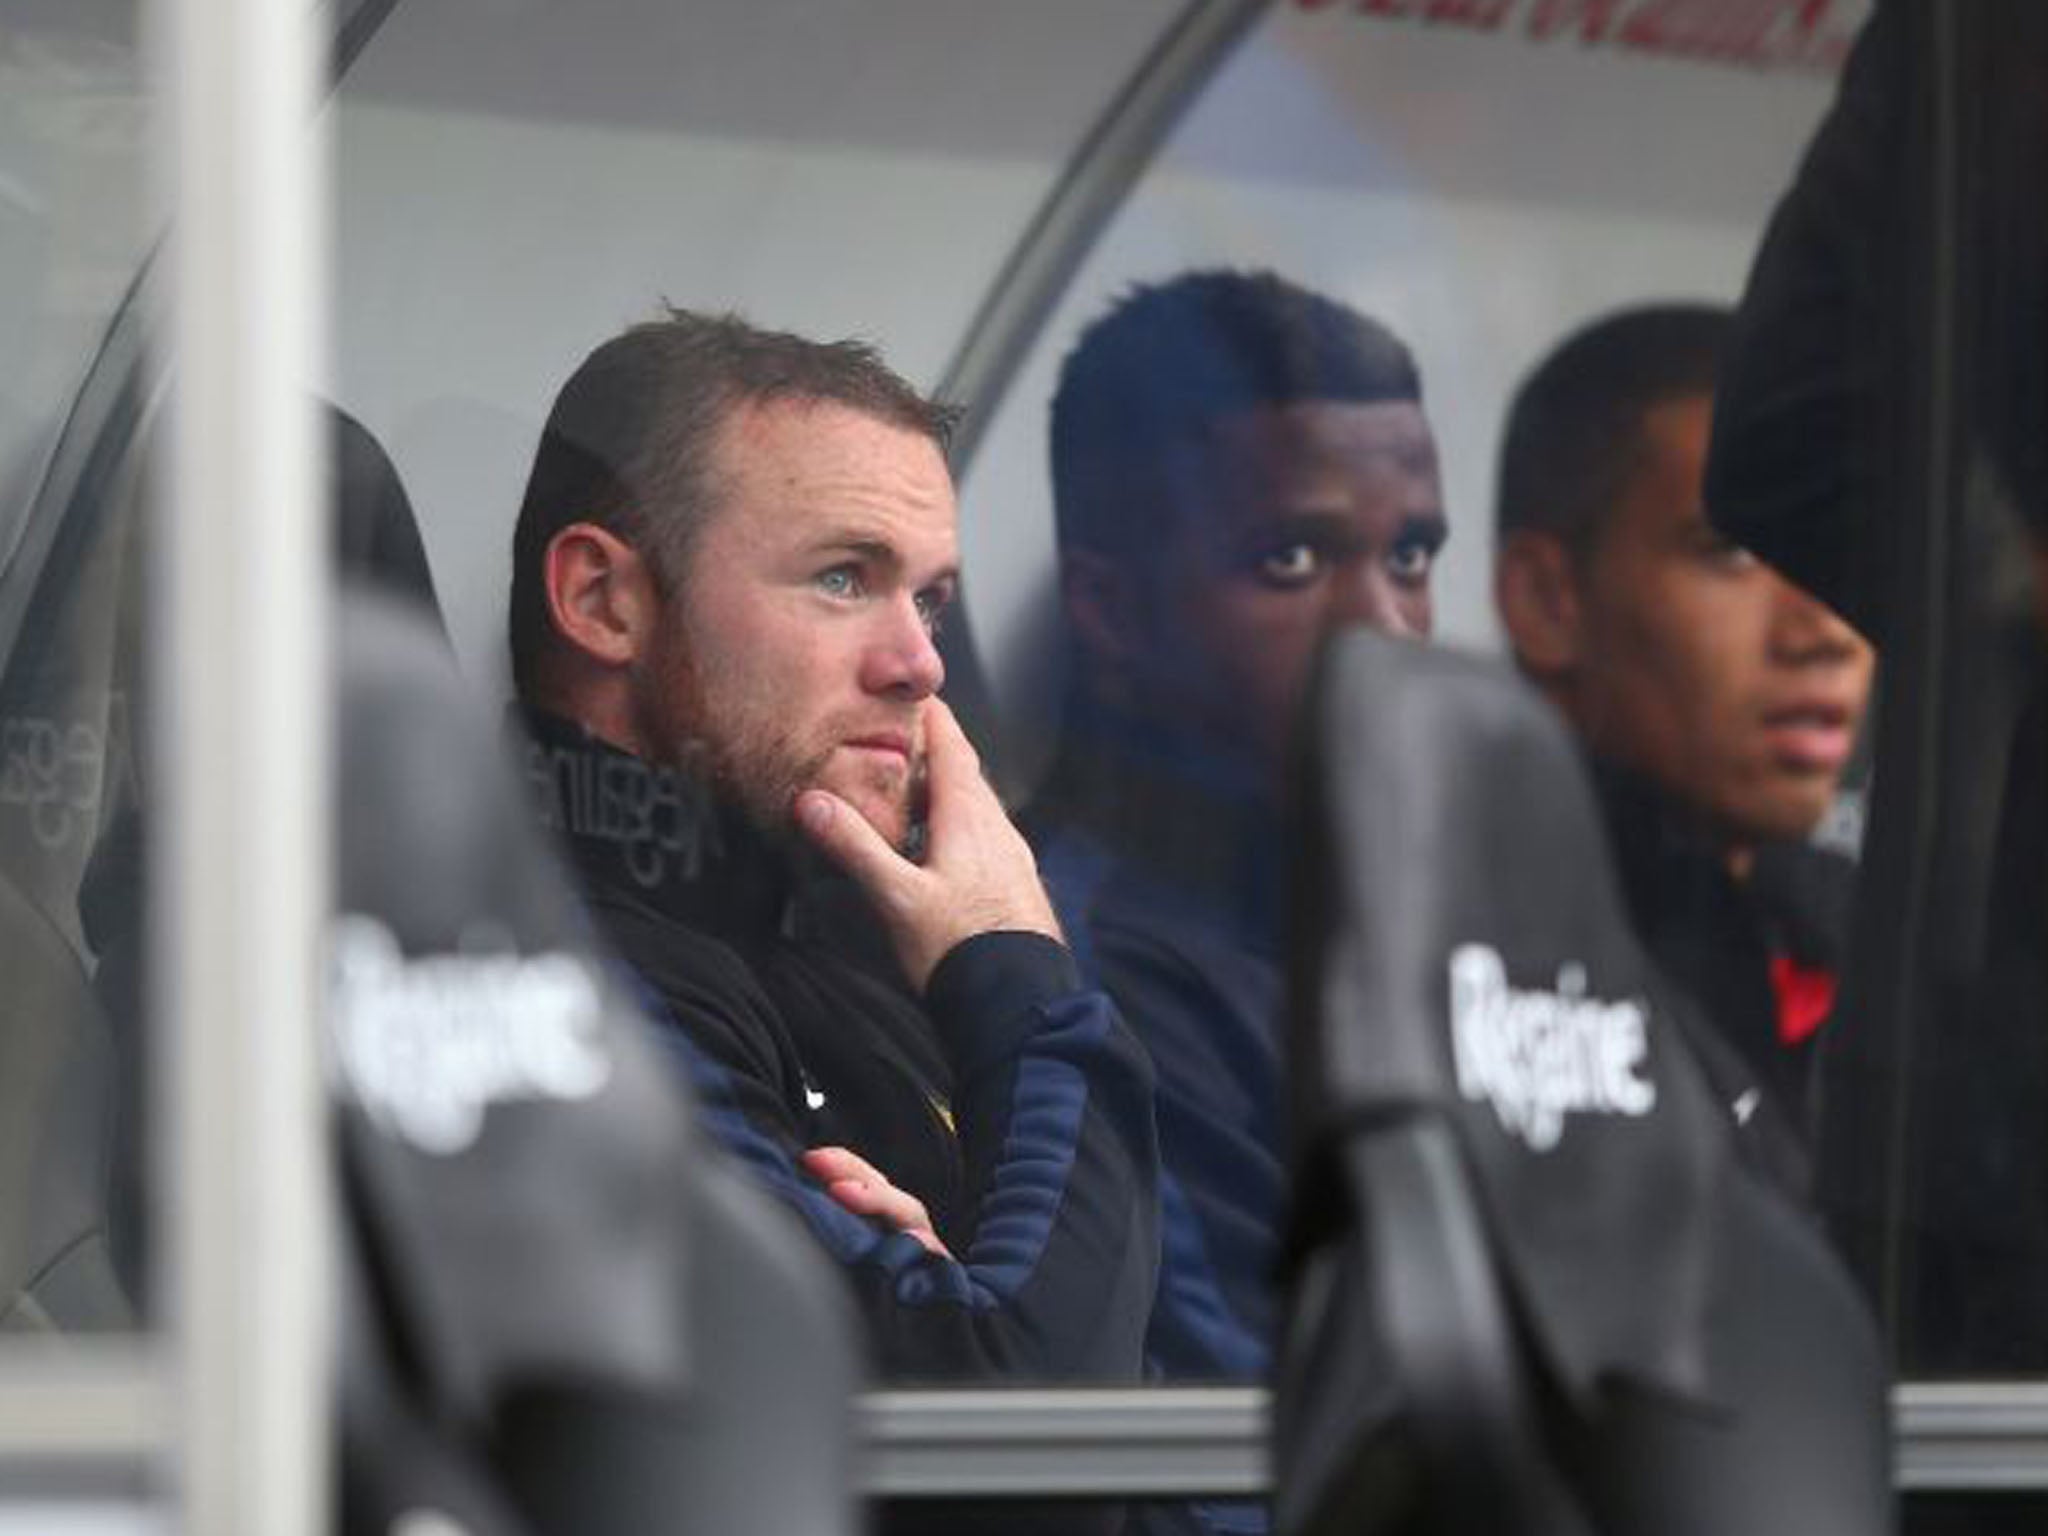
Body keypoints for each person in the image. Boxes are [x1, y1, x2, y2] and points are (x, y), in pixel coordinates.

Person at [504, 308, 1159, 1390]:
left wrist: (969, 1312)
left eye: (932, 599)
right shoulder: (540, 984)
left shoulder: (871, 952)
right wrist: (1017, 971)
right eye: (843, 579)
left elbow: (1082, 1387)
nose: (919, 664)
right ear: (601, 600)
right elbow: (1022, 1445)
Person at [1027, 269, 1448, 1402]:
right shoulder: (1071, 966)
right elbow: (1285, 1446)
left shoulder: (1436, 914)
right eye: (1292, 564)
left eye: (1410, 558)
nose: (1385, 632)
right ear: (1110, 609)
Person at [1492, 303, 1875, 1156]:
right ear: (1547, 601)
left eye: (1847, 551)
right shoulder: (1465, 955)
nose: (1825, 629)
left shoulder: (1871, 949)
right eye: (1731, 554)